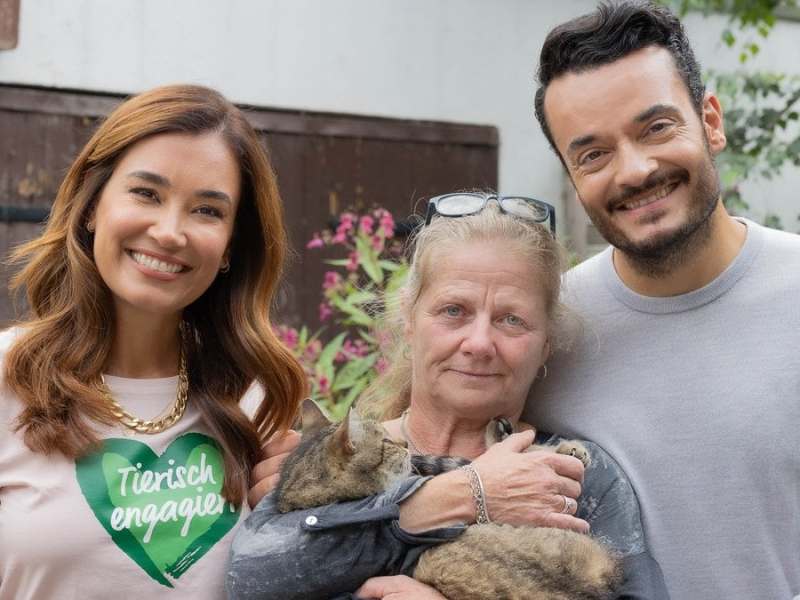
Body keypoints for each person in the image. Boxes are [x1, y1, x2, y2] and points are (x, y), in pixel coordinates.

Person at [227, 194, 669, 599]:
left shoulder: (576, 475)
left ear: (545, 344)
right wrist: (442, 502)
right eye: (453, 311)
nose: (479, 343)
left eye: (511, 319)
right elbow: (251, 579)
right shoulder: (346, 458)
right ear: (410, 320)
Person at [523, 2, 800, 599]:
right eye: (593, 154)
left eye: (656, 128)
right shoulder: (545, 332)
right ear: (571, 175)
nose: (635, 170)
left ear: (711, 121)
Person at [0, 84, 307, 599]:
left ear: (231, 244)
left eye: (207, 210)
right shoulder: (9, 375)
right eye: (146, 193)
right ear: (92, 206)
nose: (169, 231)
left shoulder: (253, 402)